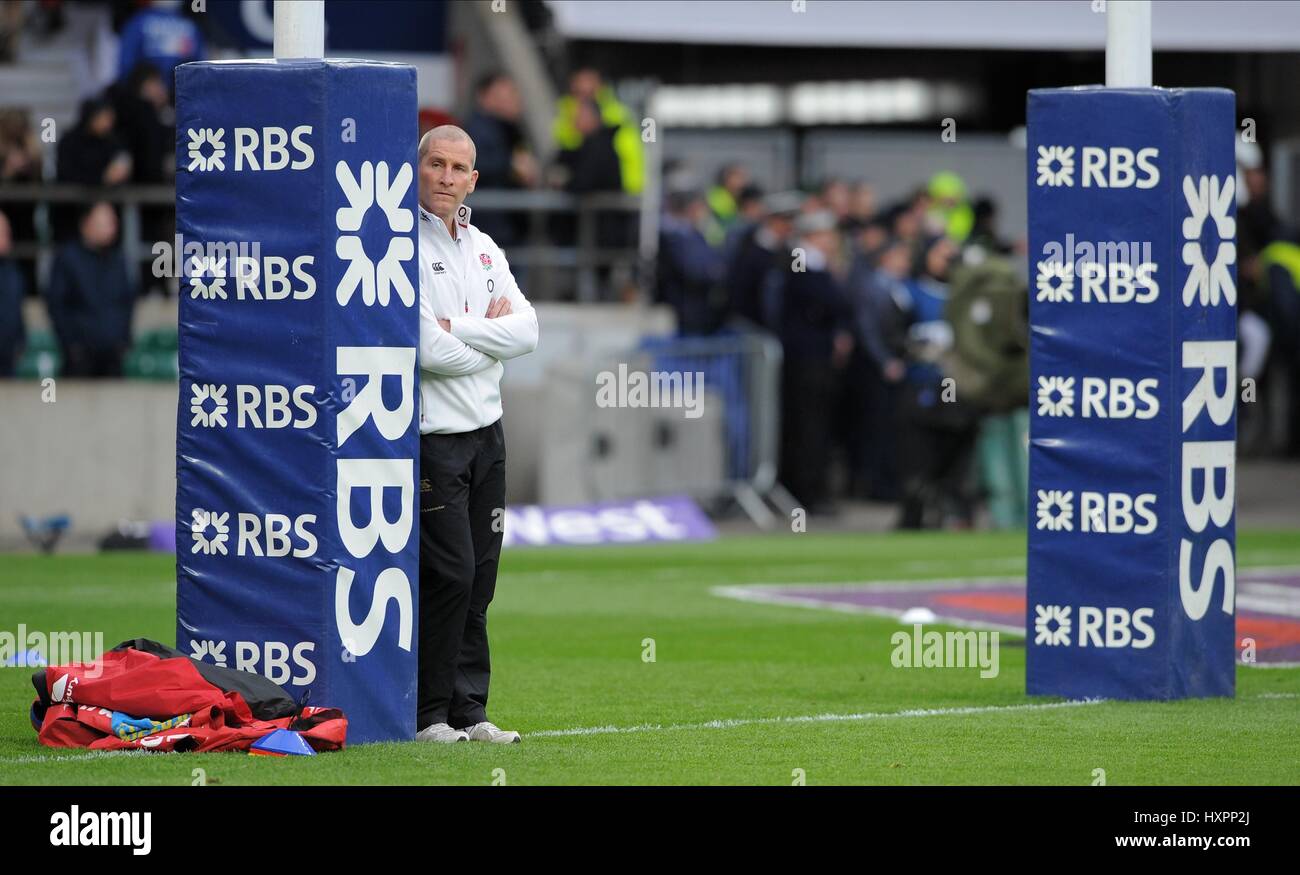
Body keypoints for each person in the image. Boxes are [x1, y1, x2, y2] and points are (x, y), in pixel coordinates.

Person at [414, 125, 538, 744]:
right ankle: (428, 714)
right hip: (435, 437)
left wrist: (458, 328)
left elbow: (529, 330)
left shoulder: (486, 247)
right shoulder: (399, 244)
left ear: (473, 179)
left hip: (488, 435)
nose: (445, 176)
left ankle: (469, 711)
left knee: (481, 577)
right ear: (418, 167)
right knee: (450, 574)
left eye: (457, 168)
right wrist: (488, 346)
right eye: (435, 163)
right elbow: (423, 348)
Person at [45, 202, 135, 377]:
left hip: (112, 358)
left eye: (113, 222)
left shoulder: (118, 260)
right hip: (79, 360)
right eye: (105, 222)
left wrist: (122, 342)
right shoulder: (67, 259)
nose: (111, 228)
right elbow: (57, 305)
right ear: (86, 224)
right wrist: (72, 345)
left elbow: (127, 302)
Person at [463, 71, 536, 246]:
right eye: (506, 93)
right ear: (484, 97)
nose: (514, 99)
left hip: (509, 227)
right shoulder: (477, 130)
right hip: (491, 228)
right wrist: (512, 166)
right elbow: (473, 165)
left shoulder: (510, 129)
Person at [0, 209, 25, 376]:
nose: (7, 236)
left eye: (7, 231)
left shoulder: (12, 271)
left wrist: (21, 341)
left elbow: (16, 313)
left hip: (7, 359)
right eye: (2, 232)